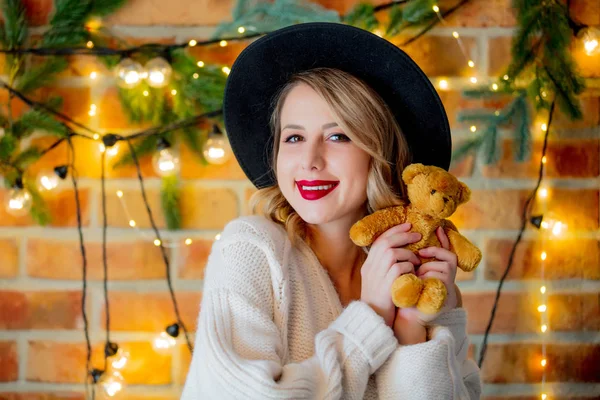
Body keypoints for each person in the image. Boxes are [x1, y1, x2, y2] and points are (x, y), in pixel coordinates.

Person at [181, 22, 482, 399]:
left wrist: (411, 329)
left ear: (380, 154)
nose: (310, 160)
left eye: (337, 136)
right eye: (294, 137)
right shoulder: (250, 251)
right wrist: (370, 317)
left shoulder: (420, 275)